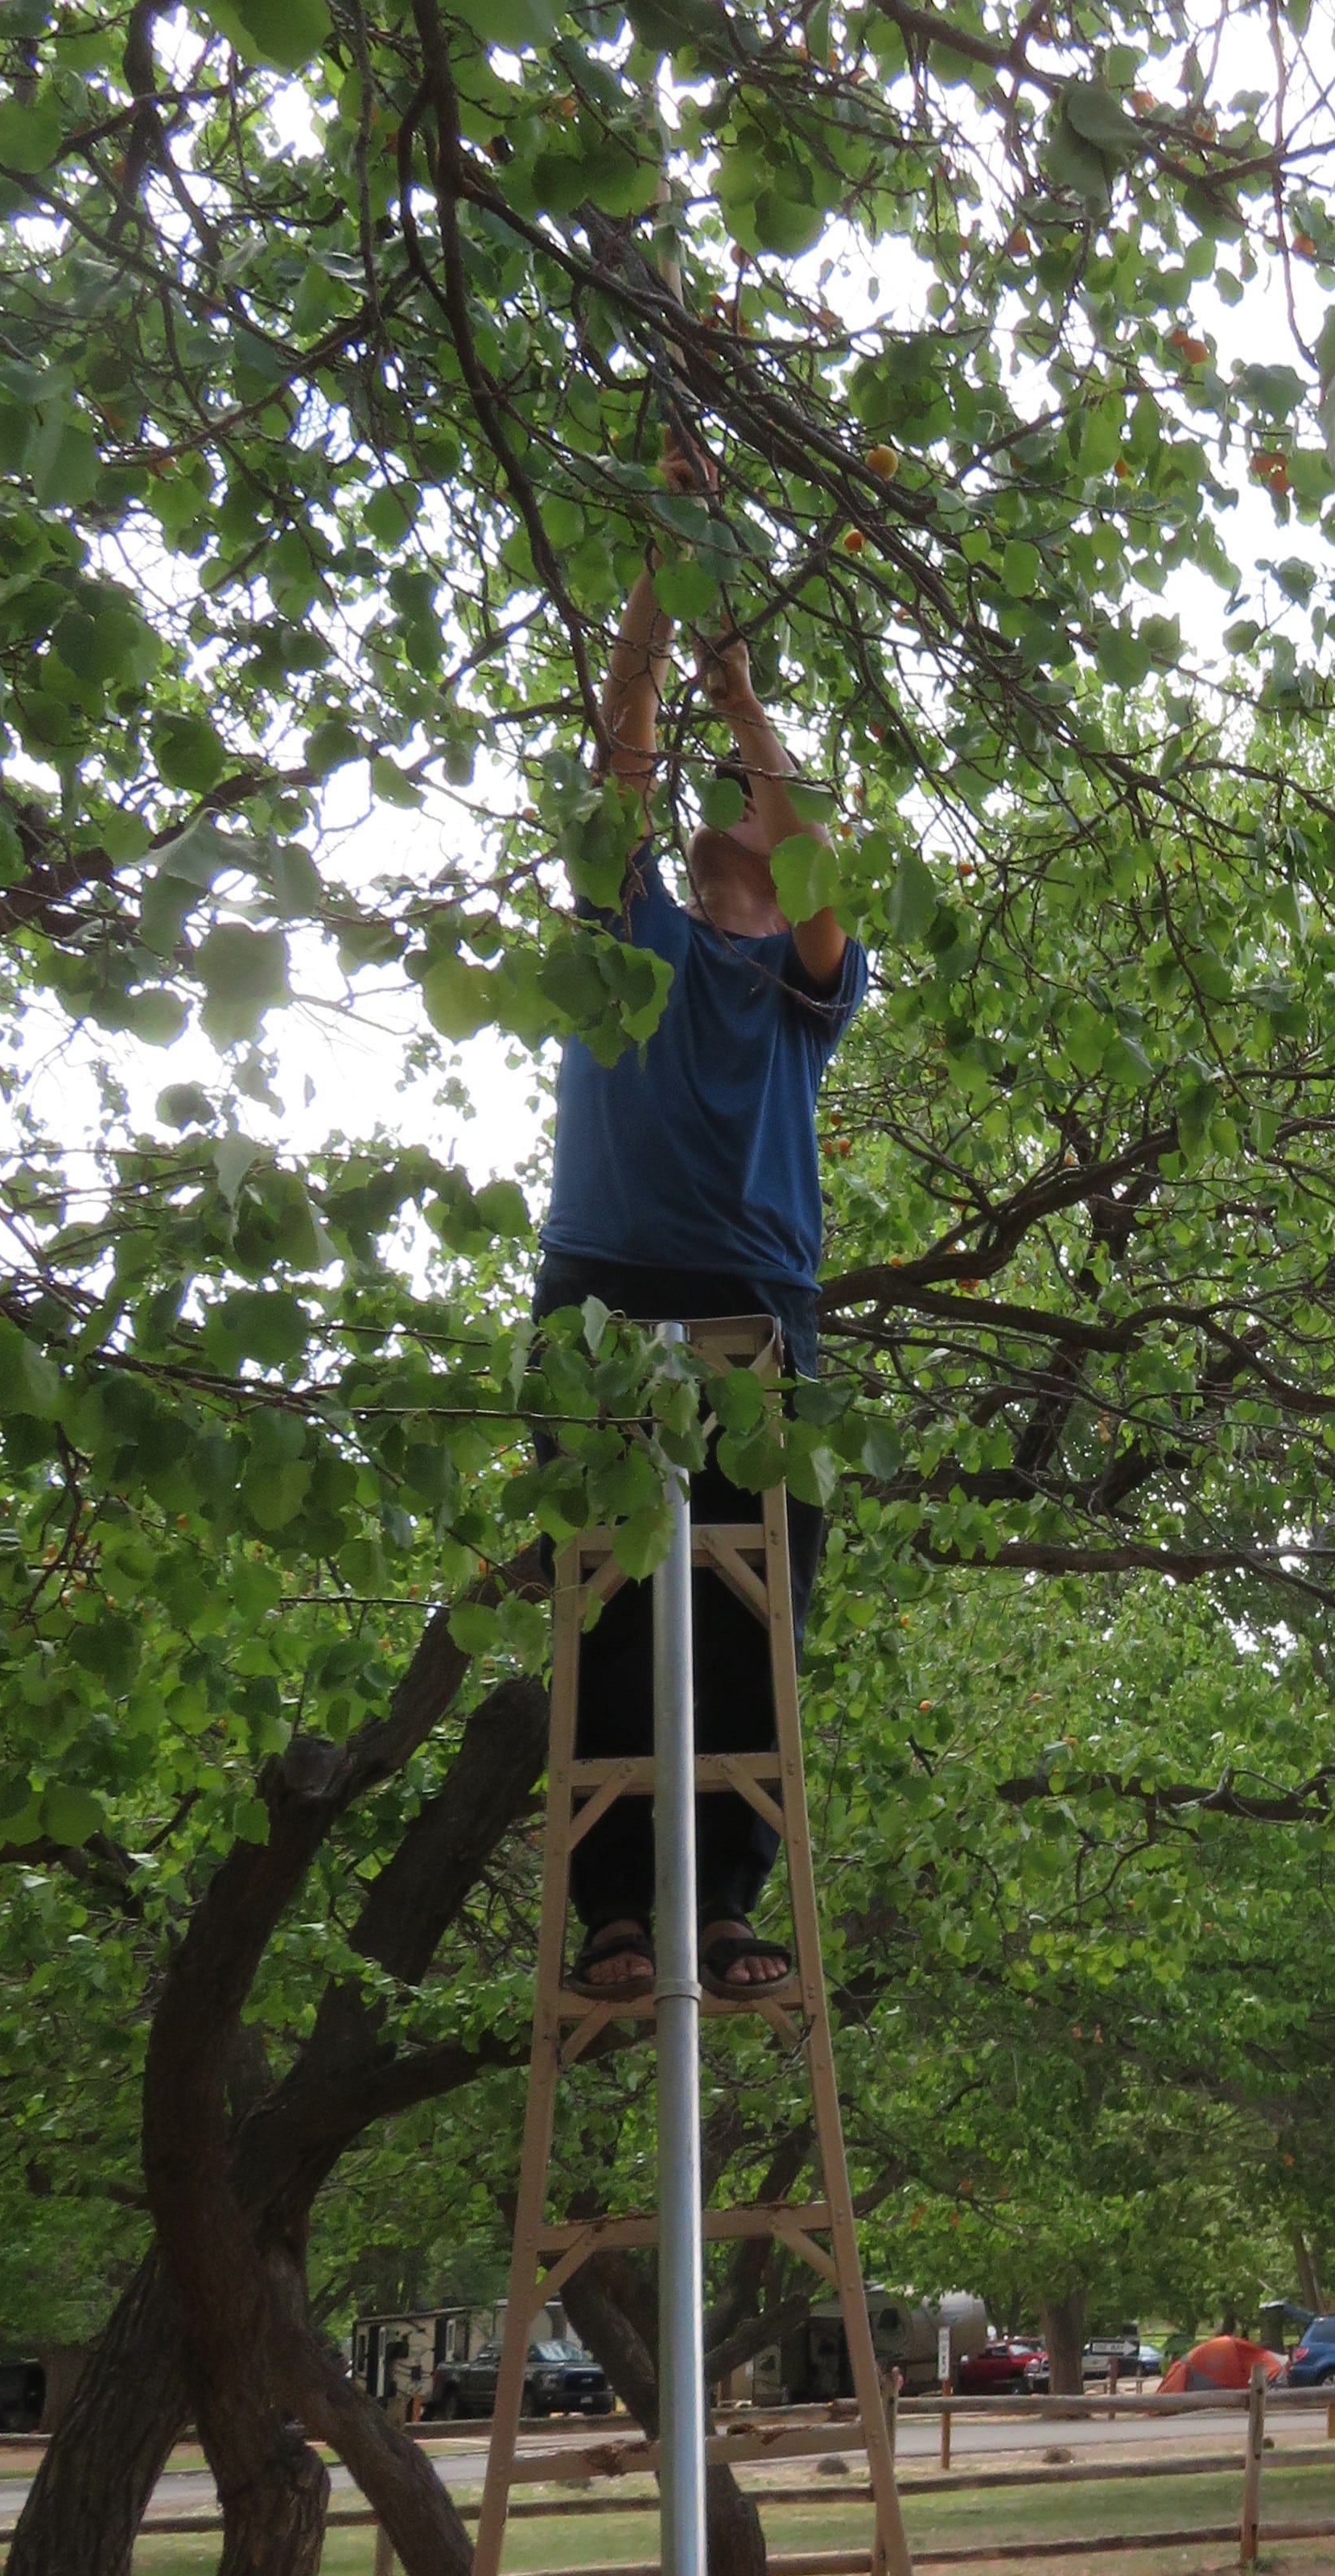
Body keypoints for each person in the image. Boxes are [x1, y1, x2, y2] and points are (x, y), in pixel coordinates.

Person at [534, 446, 868, 2000]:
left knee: (752, 1624)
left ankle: (722, 1902)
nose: (747, 807)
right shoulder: (632, 928)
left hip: (753, 1307)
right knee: (610, 1612)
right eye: (732, 793)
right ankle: (616, 1907)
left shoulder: (800, 987)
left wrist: (749, 702)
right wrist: (664, 582)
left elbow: (808, 860)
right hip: (604, 1293)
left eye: (759, 804)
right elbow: (618, 751)